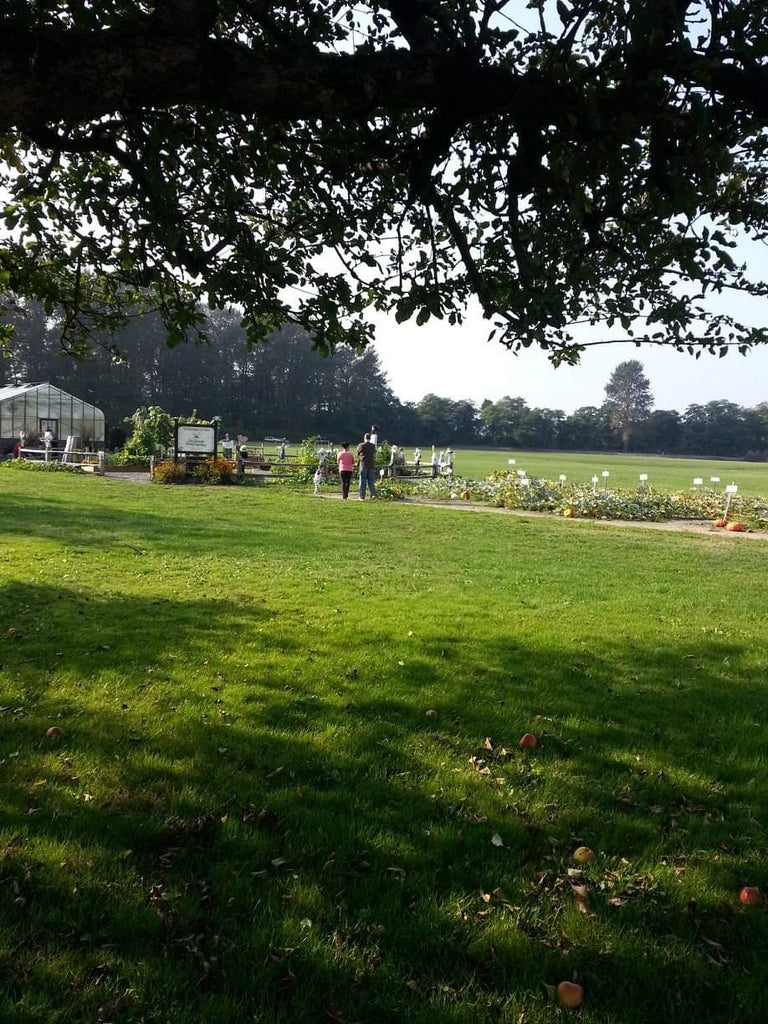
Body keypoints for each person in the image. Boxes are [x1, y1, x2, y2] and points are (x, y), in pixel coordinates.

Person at [356, 432, 377, 500]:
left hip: (363, 465)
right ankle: (373, 494)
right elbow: (374, 453)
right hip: (371, 465)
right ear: (370, 438)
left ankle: (362, 496)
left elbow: (358, 453)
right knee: (371, 481)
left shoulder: (361, 445)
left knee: (362, 481)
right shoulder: (373, 446)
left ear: (364, 438)